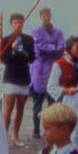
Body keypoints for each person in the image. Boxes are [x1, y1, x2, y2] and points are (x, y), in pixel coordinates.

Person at [29, 8, 65, 140]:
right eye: (43, 14)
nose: (46, 16)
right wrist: (53, 47)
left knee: (53, 101)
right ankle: (36, 129)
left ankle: (50, 129)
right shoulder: (36, 31)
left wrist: (52, 48)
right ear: (40, 16)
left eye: (48, 14)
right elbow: (39, 48)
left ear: (51, 15)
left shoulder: (59, 32)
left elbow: (61, 48)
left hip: (54, 68)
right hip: (40, 69)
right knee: (38, 101)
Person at [1, 12, 35, 147]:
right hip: (10, 76)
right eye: (15, 23)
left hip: (23, 76)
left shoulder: (29, 39)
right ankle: (3, 136)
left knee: (21, 108)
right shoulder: (6, 40)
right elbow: (4, 59)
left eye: (20, 22)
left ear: (23, 23)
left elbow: (32, 58)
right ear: (11, 24)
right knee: (8, 108)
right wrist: (13, 51)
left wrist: (25, 55)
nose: (18, 25)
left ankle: (15, 135)